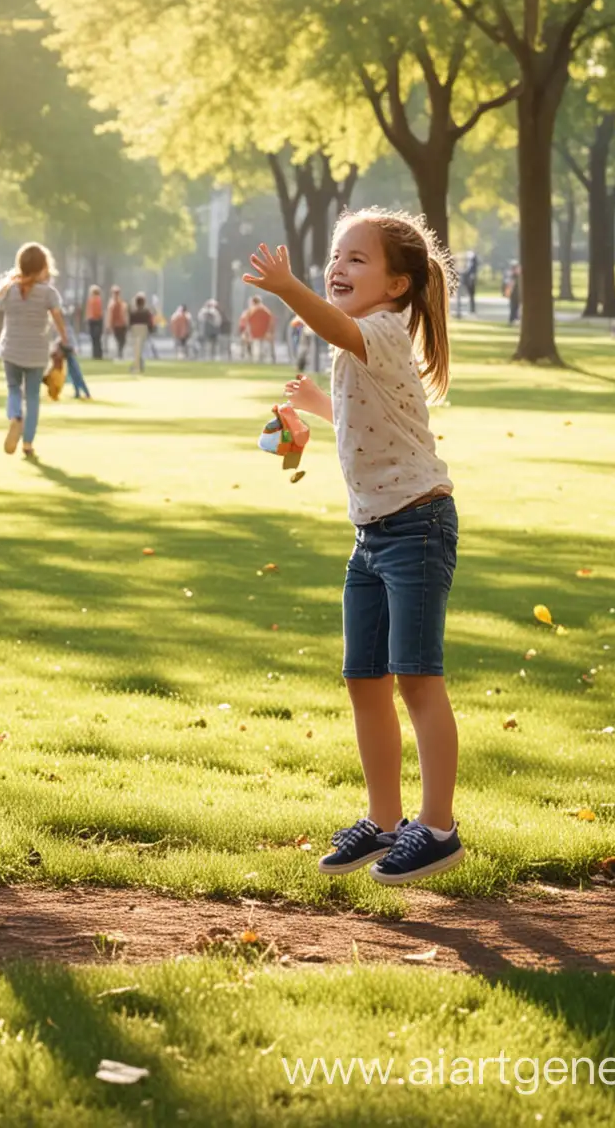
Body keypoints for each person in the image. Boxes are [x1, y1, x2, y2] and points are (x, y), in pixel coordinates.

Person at [245, 209, 463, 886]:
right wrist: (316, 403)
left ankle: (438, 829)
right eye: (335, 256)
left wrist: (288, 289)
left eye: (356, 259)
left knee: (417, 679)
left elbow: (336, 327)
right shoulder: (361, 345)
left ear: (397, 285)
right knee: (364, 681)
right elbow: (376, 417)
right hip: (371, 535)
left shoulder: (382, 330)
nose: (337, 267)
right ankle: (386, 820)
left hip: (417, 528)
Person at [0, 242, 71, 460]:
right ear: (43, 267)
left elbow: (1, 307)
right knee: (33, 397)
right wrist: (65, 340)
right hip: (36, 352)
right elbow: (57, 319)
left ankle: (15, 417)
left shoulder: (7, 290)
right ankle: (27, 443)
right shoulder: (48, 293)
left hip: (11, 348)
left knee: (13, 389)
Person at [127, 291, 156, 373]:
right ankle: (139, 365)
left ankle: (137, 366)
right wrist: (151, 330)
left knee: (136, 349)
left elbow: (130, 322)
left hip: (135, 330)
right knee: (140, 349)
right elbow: (150, 322)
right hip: (143, 330)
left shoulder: (133, 312)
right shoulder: (147, 312)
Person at [242, 295, 276, 363]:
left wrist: (246, 333)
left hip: (253, 334)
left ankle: (249, 355)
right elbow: (272, 322)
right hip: (265, 334)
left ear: (252, 302)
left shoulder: (249, 311)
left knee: (246, 340)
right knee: (264, 347)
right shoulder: (267, 311)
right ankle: (270, 357)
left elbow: (245, 323)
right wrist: (270, 332)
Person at [107, 285, 129, 360]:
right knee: (120, 340)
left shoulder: (121, 302)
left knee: (122, 340)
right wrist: (109, 325)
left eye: (117, 292)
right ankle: (119, 354)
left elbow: (124, 313)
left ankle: (120, 353)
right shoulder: (112, 303)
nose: (116, 294)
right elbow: (110, 315)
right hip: (116, 325)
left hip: (122, 324)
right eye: (115, 292)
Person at [84, 283, 105, 360]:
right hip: (97, 320)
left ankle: (96, 354)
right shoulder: (97, 300)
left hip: (94, 320)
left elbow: (91, 311)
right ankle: (97, 354)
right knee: (97, 338)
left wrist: (88, 318)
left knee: (94, 338)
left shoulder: (93, 300)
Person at [504, 261, 521, 325]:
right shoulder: (513, 276)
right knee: (513, 307)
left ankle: (516, 319)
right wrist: (507, 292)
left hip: (517, 294)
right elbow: (510, 285)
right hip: (514, 294)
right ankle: (512, 320)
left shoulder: (517, 276)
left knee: (516, 307)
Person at [462, 250, 479, 315]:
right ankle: (470, 309)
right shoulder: (468, 263)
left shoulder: (473, 263)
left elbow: (473, 271)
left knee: (471, 295)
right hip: (467, 280)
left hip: (471, 280)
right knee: (468, 295)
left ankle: (472, 309)